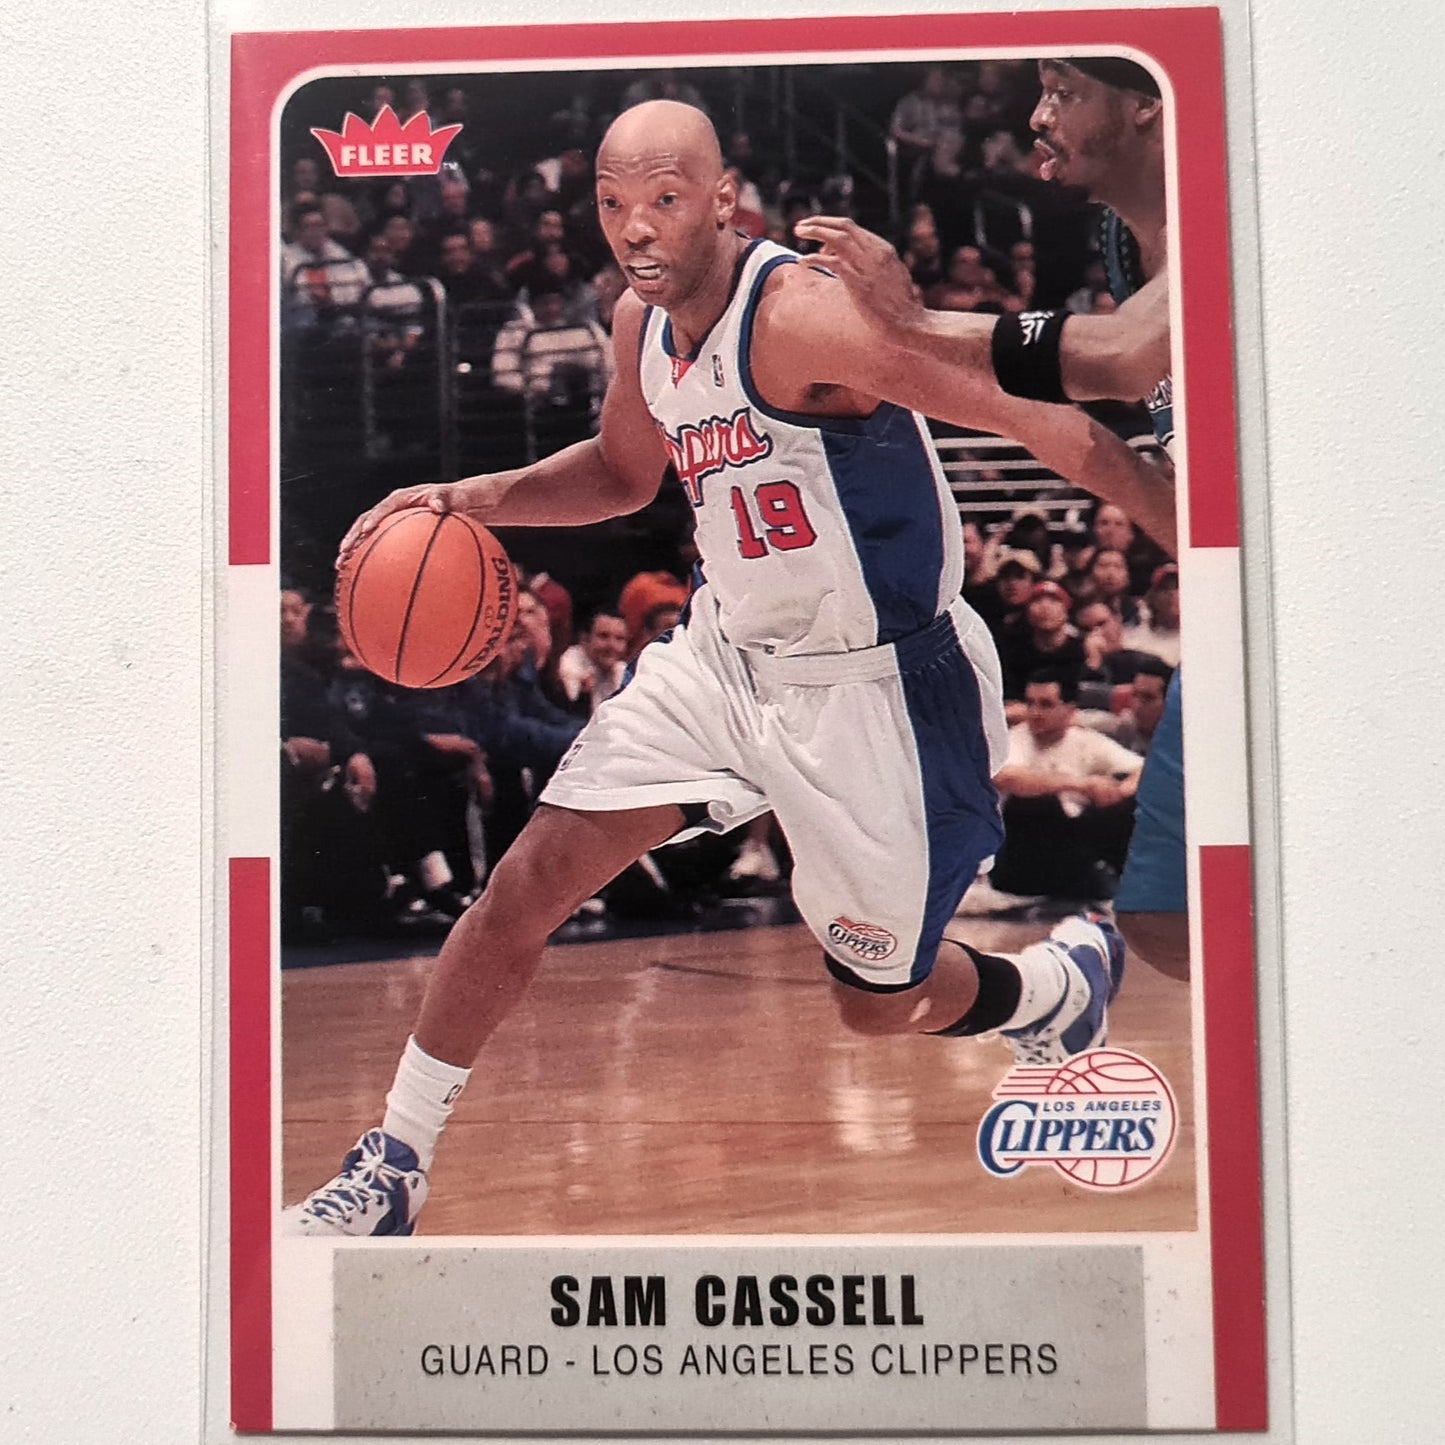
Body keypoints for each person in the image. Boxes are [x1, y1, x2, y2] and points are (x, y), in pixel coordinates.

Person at [285, 100, 1137, 1237]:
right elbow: (622, 471)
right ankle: (393, 1162)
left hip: (878, 689)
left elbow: (1016, 405)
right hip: (723, 659)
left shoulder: (800, 317)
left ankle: (1050, 988)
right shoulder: (638, 325)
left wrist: (1166, 505)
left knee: (877, 1006)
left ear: (724, 199)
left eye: (664, 199)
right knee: (521, 889)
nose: (634, 229)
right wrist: (466, 495)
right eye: (611, 204)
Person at [796, 58, 1187, 979]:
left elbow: (1123, 356)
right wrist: (1006, 413)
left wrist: (915, 324)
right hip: (1235, 595)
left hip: (1326, 613)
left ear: (1146, 103)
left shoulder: (1230, 203)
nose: (1038, 115)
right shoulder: (1121, 240)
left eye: (1064, 90)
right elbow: (1173, 502)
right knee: (1162, 918)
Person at [989, 667, 1142, 901]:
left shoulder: (1085, 741)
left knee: (1127, 806)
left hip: (1073, 844)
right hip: (1020, 846)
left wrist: (1120, 791)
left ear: (1069, 710)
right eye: (1030, 704)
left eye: (1046, 704)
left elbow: (1144, 769)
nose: (1035, 713)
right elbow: (1007, 777)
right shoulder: (1015, 739)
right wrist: (1082, 785)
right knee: (1037, 803)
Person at [556, 608, 629, 714]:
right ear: (584, 639)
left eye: (619, 638)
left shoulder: (622, 670)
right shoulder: (570, 664)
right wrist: (584, 695)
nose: (612, 646)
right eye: (603, 636)